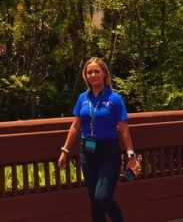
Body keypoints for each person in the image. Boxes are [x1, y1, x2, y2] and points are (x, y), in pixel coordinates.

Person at [57, 57, 141, 222]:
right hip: (87, 152)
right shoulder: (83, 98)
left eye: (97, 71)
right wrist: (65, 150)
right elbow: (75, 126)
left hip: (109, 151)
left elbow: (123, 129)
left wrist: (130, 154)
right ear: (85, 75)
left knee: (102, 196)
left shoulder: (114, 98)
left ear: (104, 74)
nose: (93, 75)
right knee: (94, 201)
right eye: (89, 72)